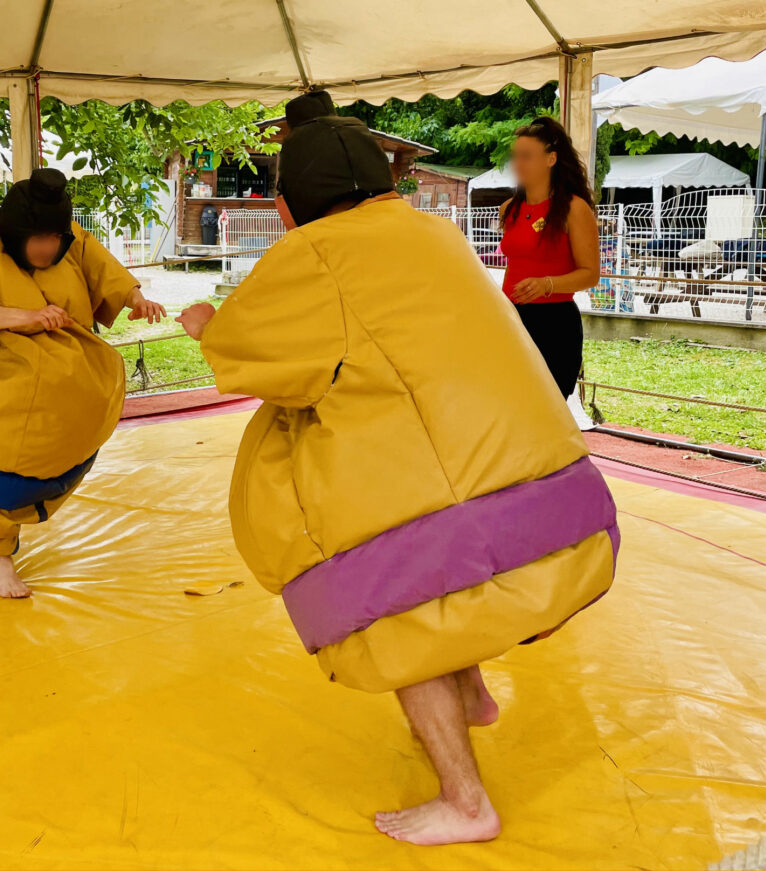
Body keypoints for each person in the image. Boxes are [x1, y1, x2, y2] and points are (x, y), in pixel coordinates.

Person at [178, 91, 619, 846]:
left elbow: (249, 357)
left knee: (385, 595)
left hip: (467, 518)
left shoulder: (313, 254)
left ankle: (466, 799)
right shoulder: (434, 231)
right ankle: (473, 689)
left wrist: (204, 324)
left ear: (289, 207)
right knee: (437, 526)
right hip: (566, 505)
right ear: (388, 182)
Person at [0, 168, 165, 598]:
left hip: (63, 370)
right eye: (40, 239)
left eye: (56, 238)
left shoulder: (66, 235)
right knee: (2, 462)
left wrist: (135, 297)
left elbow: (102, 265)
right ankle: (1, 559)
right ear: (14, 231)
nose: (50, 247)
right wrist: (28, 317)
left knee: (73, 433)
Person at [500, 116, 600, 398]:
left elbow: (590, 274)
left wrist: (547, 284)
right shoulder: (509, 209)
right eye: (516, 156)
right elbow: (514, 265)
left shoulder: (574, 209)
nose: (518, 163)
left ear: (551, 159)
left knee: (546, 411)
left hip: (555, 324)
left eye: (527, 156)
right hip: (512, 319)